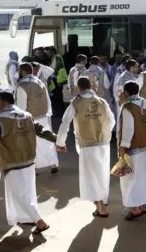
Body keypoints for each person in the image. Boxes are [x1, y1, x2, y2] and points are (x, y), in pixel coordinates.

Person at [0, 91, 59, 233]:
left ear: (5, 103)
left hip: (13, 163)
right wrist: (57, 140)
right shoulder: (27, 115)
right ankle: (27, 218)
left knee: (19, 195)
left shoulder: (0, 121)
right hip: (29, 161)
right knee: (28, 193)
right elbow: (41, 130)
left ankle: (40, 222)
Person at [56, 77, 115, 217]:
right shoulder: (102, 102)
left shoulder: (75, 103)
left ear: (79, 88)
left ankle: (101, 205)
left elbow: (65, 123)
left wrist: (60, 142)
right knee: (102, 172)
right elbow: (112, 120)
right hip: (103, 141)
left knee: (91, 174)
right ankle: (103, 200)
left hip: (87, 143)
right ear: (91, 86)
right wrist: (104, 133)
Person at [118, 81, 146, 220]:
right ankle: (143, 204)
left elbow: (128, 129)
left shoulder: (128, 107)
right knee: (144, 177)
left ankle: (135, 208)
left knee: (131, 178)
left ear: (126, 92)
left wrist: (123, 147)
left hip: (134, 148)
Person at [15, 63, 59, 174]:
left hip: (31, 118)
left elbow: (21, 107)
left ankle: (34, 167)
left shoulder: (22, 86)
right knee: (47, 140)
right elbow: (47, 100)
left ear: (22, 71)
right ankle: (53, 164)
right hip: (44, 116)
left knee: (33, 143)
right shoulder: (39, 82)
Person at [115, 60, 141, 132]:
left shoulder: (129, 75)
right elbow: (121, 93)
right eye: (136, 67)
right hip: (126, 104)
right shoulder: (124, 77)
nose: (137, 68)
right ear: (131, 68)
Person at [46, 47, 68, 116]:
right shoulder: (53, 59)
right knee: (55, 96)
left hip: (57, 80)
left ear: (52, 51)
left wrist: (54, 73)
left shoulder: (58, 57)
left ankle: (59, 113)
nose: (47, 54)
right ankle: (57, 112)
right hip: (55, 80)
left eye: (48, 52)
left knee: (57, 96)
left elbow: (58, 65)